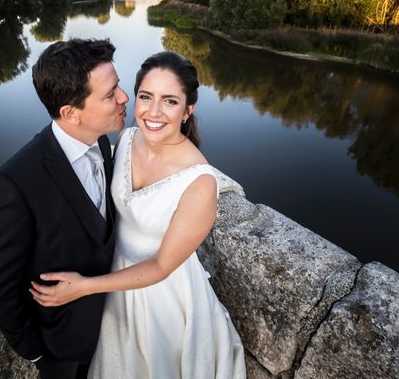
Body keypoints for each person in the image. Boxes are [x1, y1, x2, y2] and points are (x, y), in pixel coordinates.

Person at [31, 51, 247, 378]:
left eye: (170, 101)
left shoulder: (199, 183)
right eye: (146, 97)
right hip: (114, 283)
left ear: (188, 110)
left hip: (161, 300)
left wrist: (84, 287)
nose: (153, 112)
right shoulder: (128, 138)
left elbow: (161, 265)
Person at [0, 38, 129, 379]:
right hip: (65, 352)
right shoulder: (13, 185)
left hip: (116, 327)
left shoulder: (102, 142)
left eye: (117, 85)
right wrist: (38, 354)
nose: (124, 97)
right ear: (70, 113)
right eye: (110, 94)